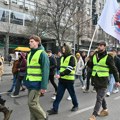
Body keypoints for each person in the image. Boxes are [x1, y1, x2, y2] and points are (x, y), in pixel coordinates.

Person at [88, 41, 120, 120]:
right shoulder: (95, 55)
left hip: (103, 81)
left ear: (104, 47)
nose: (99, 47)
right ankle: (105, 109)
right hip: (95, 80)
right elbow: (91, 66)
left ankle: (94, 115)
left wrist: (117, 81)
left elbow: (114, 69)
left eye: (101, 45)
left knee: (99, 98)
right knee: (100, 96)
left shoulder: (108, 57)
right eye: (98, 45)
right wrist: (88, 61)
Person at [47, 44, 78, 115]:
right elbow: (58, 66)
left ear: (67, 49)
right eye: (62, 48)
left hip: (69, 80)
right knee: (59, 95)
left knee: (72, 94)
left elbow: (69, 69)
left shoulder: (72, 58)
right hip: (62, 80)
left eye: (64, 48)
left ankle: (75, 105)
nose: (63, 49)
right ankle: (55, 109)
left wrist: (60, 74)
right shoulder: (62, 57)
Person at [24, 35, 49, 120]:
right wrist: (25, 81)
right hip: (30, 82)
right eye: (29, 41)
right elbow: (28, 69)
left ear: (37, 42)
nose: (29, 43)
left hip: (37, 84)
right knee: (32, 106)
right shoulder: (30, 53)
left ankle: (44, 117)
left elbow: (45, 71)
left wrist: (44, 86)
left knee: (32, 103)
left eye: (32, 41)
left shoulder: (42, 54)